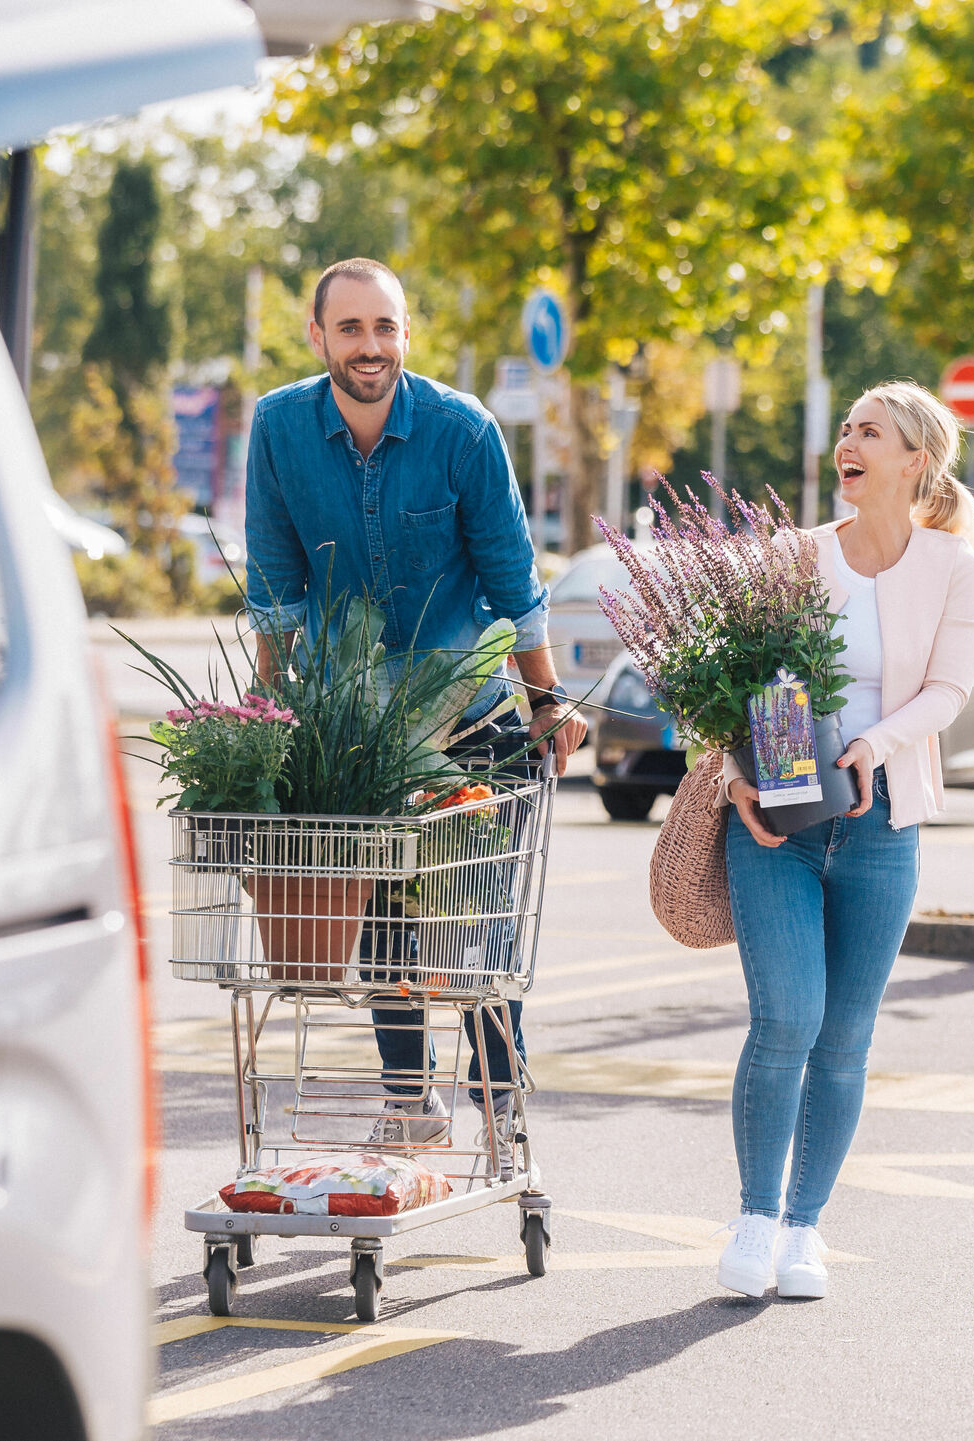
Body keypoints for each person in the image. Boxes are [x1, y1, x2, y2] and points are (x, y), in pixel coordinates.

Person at [243, 257, 585, 1166]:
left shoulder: (461, 430)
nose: (370, 346)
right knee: (383, 907)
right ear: (318, 337)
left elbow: (515, 583)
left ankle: (502, 1102)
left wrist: (548, 701)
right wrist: (266, 716)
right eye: (350, 328)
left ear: (407, 335)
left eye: (385, 327)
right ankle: (409, 1100)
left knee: (480, 922)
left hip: (471, 711)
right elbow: (276, 588)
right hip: (354, 723)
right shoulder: (279, 428)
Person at [715, 380, 974, 1299]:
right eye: (846, 430)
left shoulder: (953, 565)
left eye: (871, 431)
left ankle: (803, 1229)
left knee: (844, 1038)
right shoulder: (792, 555)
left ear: (915, 460)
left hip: (884, 827)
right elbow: (741, 678)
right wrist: (740, 779)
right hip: (781, 821)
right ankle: (754, 1217)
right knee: (785, 1017)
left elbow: (950, 688)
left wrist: (874, 743)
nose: (850, 442)